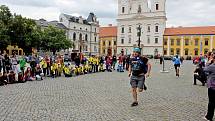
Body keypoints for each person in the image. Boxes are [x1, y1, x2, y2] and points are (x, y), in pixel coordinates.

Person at [203, 53, 215, 121]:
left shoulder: (212, 66)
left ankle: (209, 117)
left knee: (211, 102)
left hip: (212, 87)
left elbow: (205, 69)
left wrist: (208, 62)